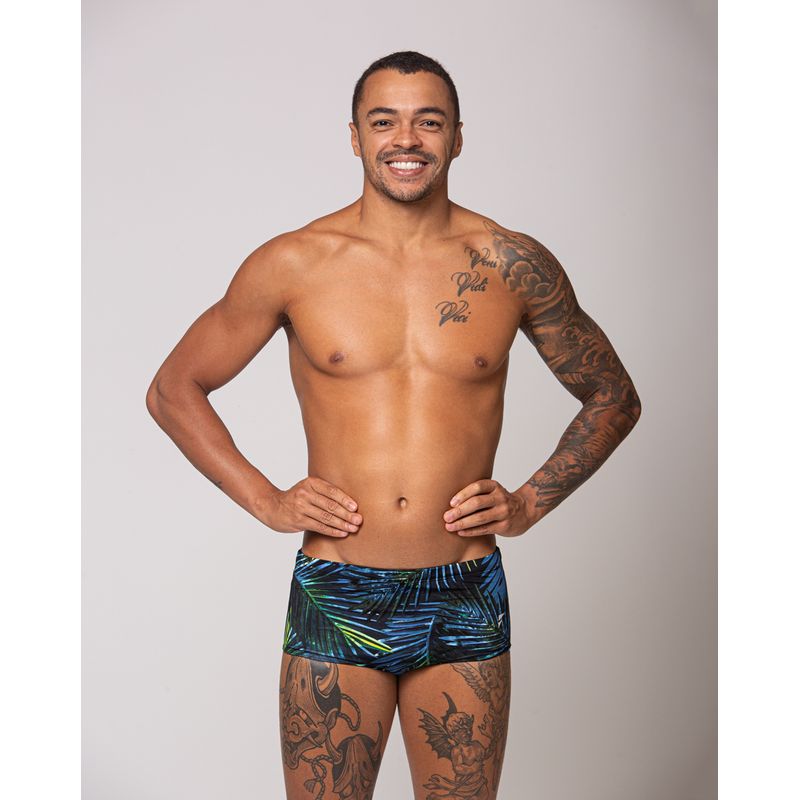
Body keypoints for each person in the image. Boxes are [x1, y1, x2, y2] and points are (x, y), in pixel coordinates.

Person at [146, 50, 641, 800]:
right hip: (338, 588)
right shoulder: (295, 262)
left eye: (428, 122)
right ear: (355, 136)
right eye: (384, 122)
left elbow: (612, 395)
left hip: (464, 587)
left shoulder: (511, 263)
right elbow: (173, 389)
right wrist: (266, 500)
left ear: (458, 137)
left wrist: (530, 501)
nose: (406, 139)